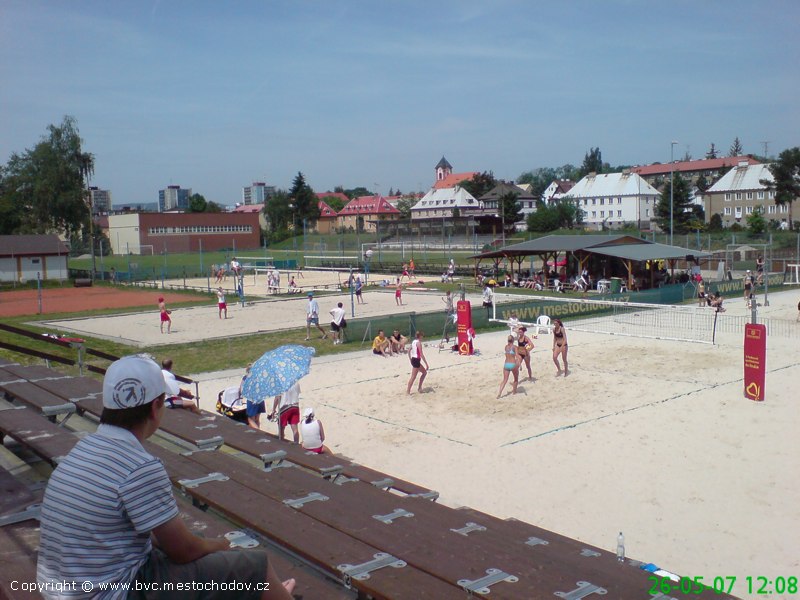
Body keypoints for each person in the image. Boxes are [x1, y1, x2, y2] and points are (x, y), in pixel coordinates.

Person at [36, 354, 295, 599]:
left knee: (207, 558)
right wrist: (223, 547)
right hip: (111, 592)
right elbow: (184, 551)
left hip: (63, 589)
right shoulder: (138, 466)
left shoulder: (84, 449)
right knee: (254, 565)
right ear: (155, 407)